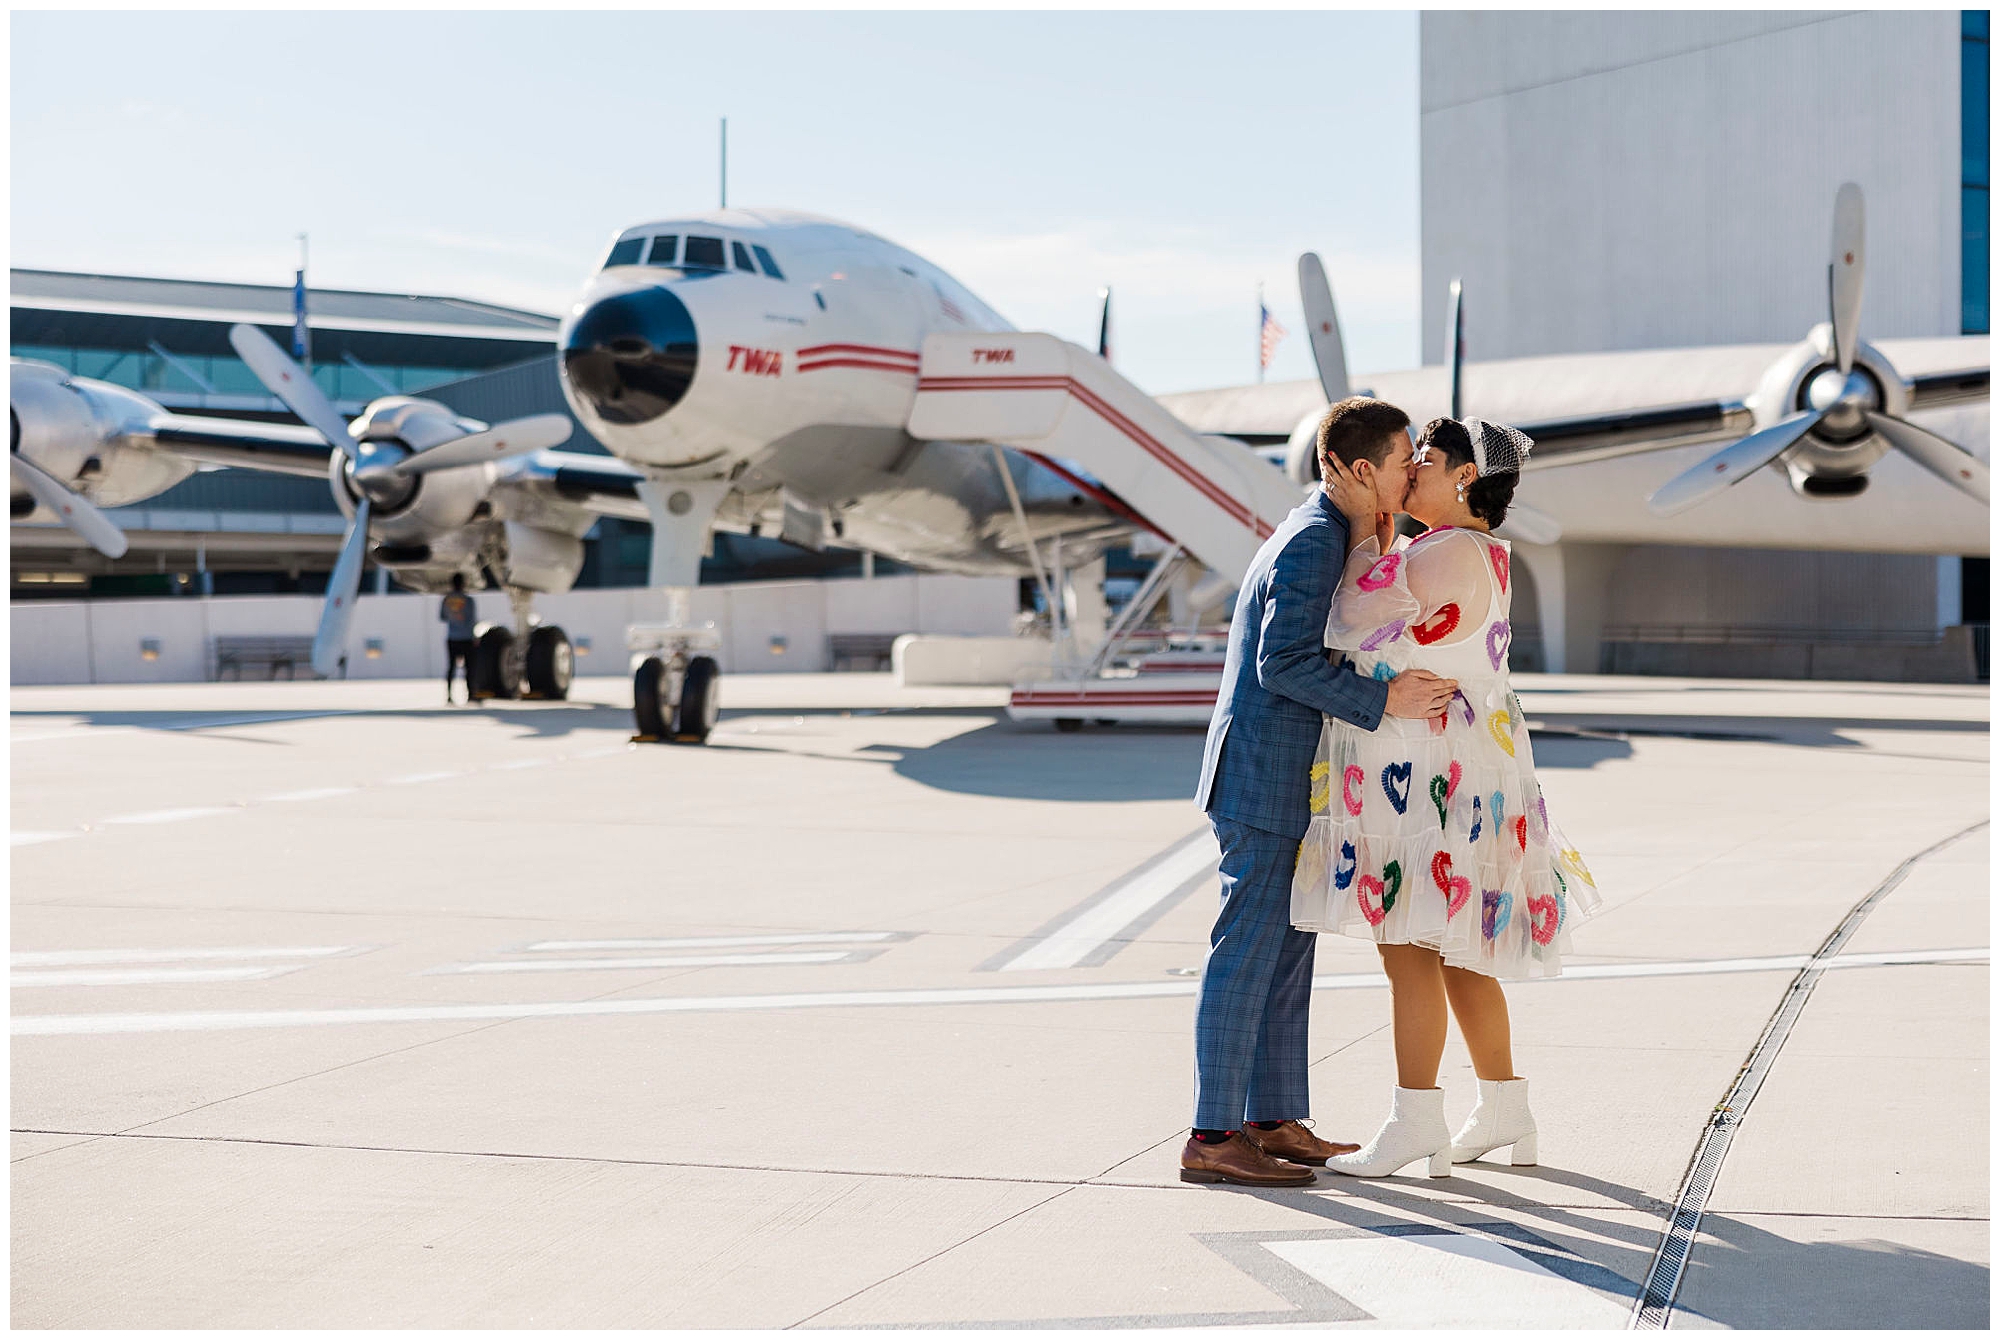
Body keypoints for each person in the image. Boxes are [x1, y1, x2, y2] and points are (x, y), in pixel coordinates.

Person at [1295, 416, 1601, 1179]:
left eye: (1423, 462)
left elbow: (1346, 619)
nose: (1410, 473)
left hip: (1430, 771)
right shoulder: (1485, 552)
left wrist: (1368, 520)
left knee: (1409, 948)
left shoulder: (1438, 550)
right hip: (1472, 767)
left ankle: (1416, 1121)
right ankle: (1504, 1107)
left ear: (1465, 476)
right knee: (1462, 955)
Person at [1185, 397, 1460, 1188]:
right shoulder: (1311, 543)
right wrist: (1385, 701)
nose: (1415, 472)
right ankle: (1211, 1133)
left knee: (1287, 951)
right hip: (1263, 776)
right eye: (1407, 460)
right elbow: (1283, 664)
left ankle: (1270, 1120)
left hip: (1288, 780)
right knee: (1248, 953)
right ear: (1363, 468)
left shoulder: (1334, 532)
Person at [440, 573, 478, 704]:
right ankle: (470, 694)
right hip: (466, 637)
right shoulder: (468, 600)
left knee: (451, 667)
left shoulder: (446, 600)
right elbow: (472, 620)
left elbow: (442, 617)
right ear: (463, 584)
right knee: (469, 668)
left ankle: (449, 695)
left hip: (452, 637)